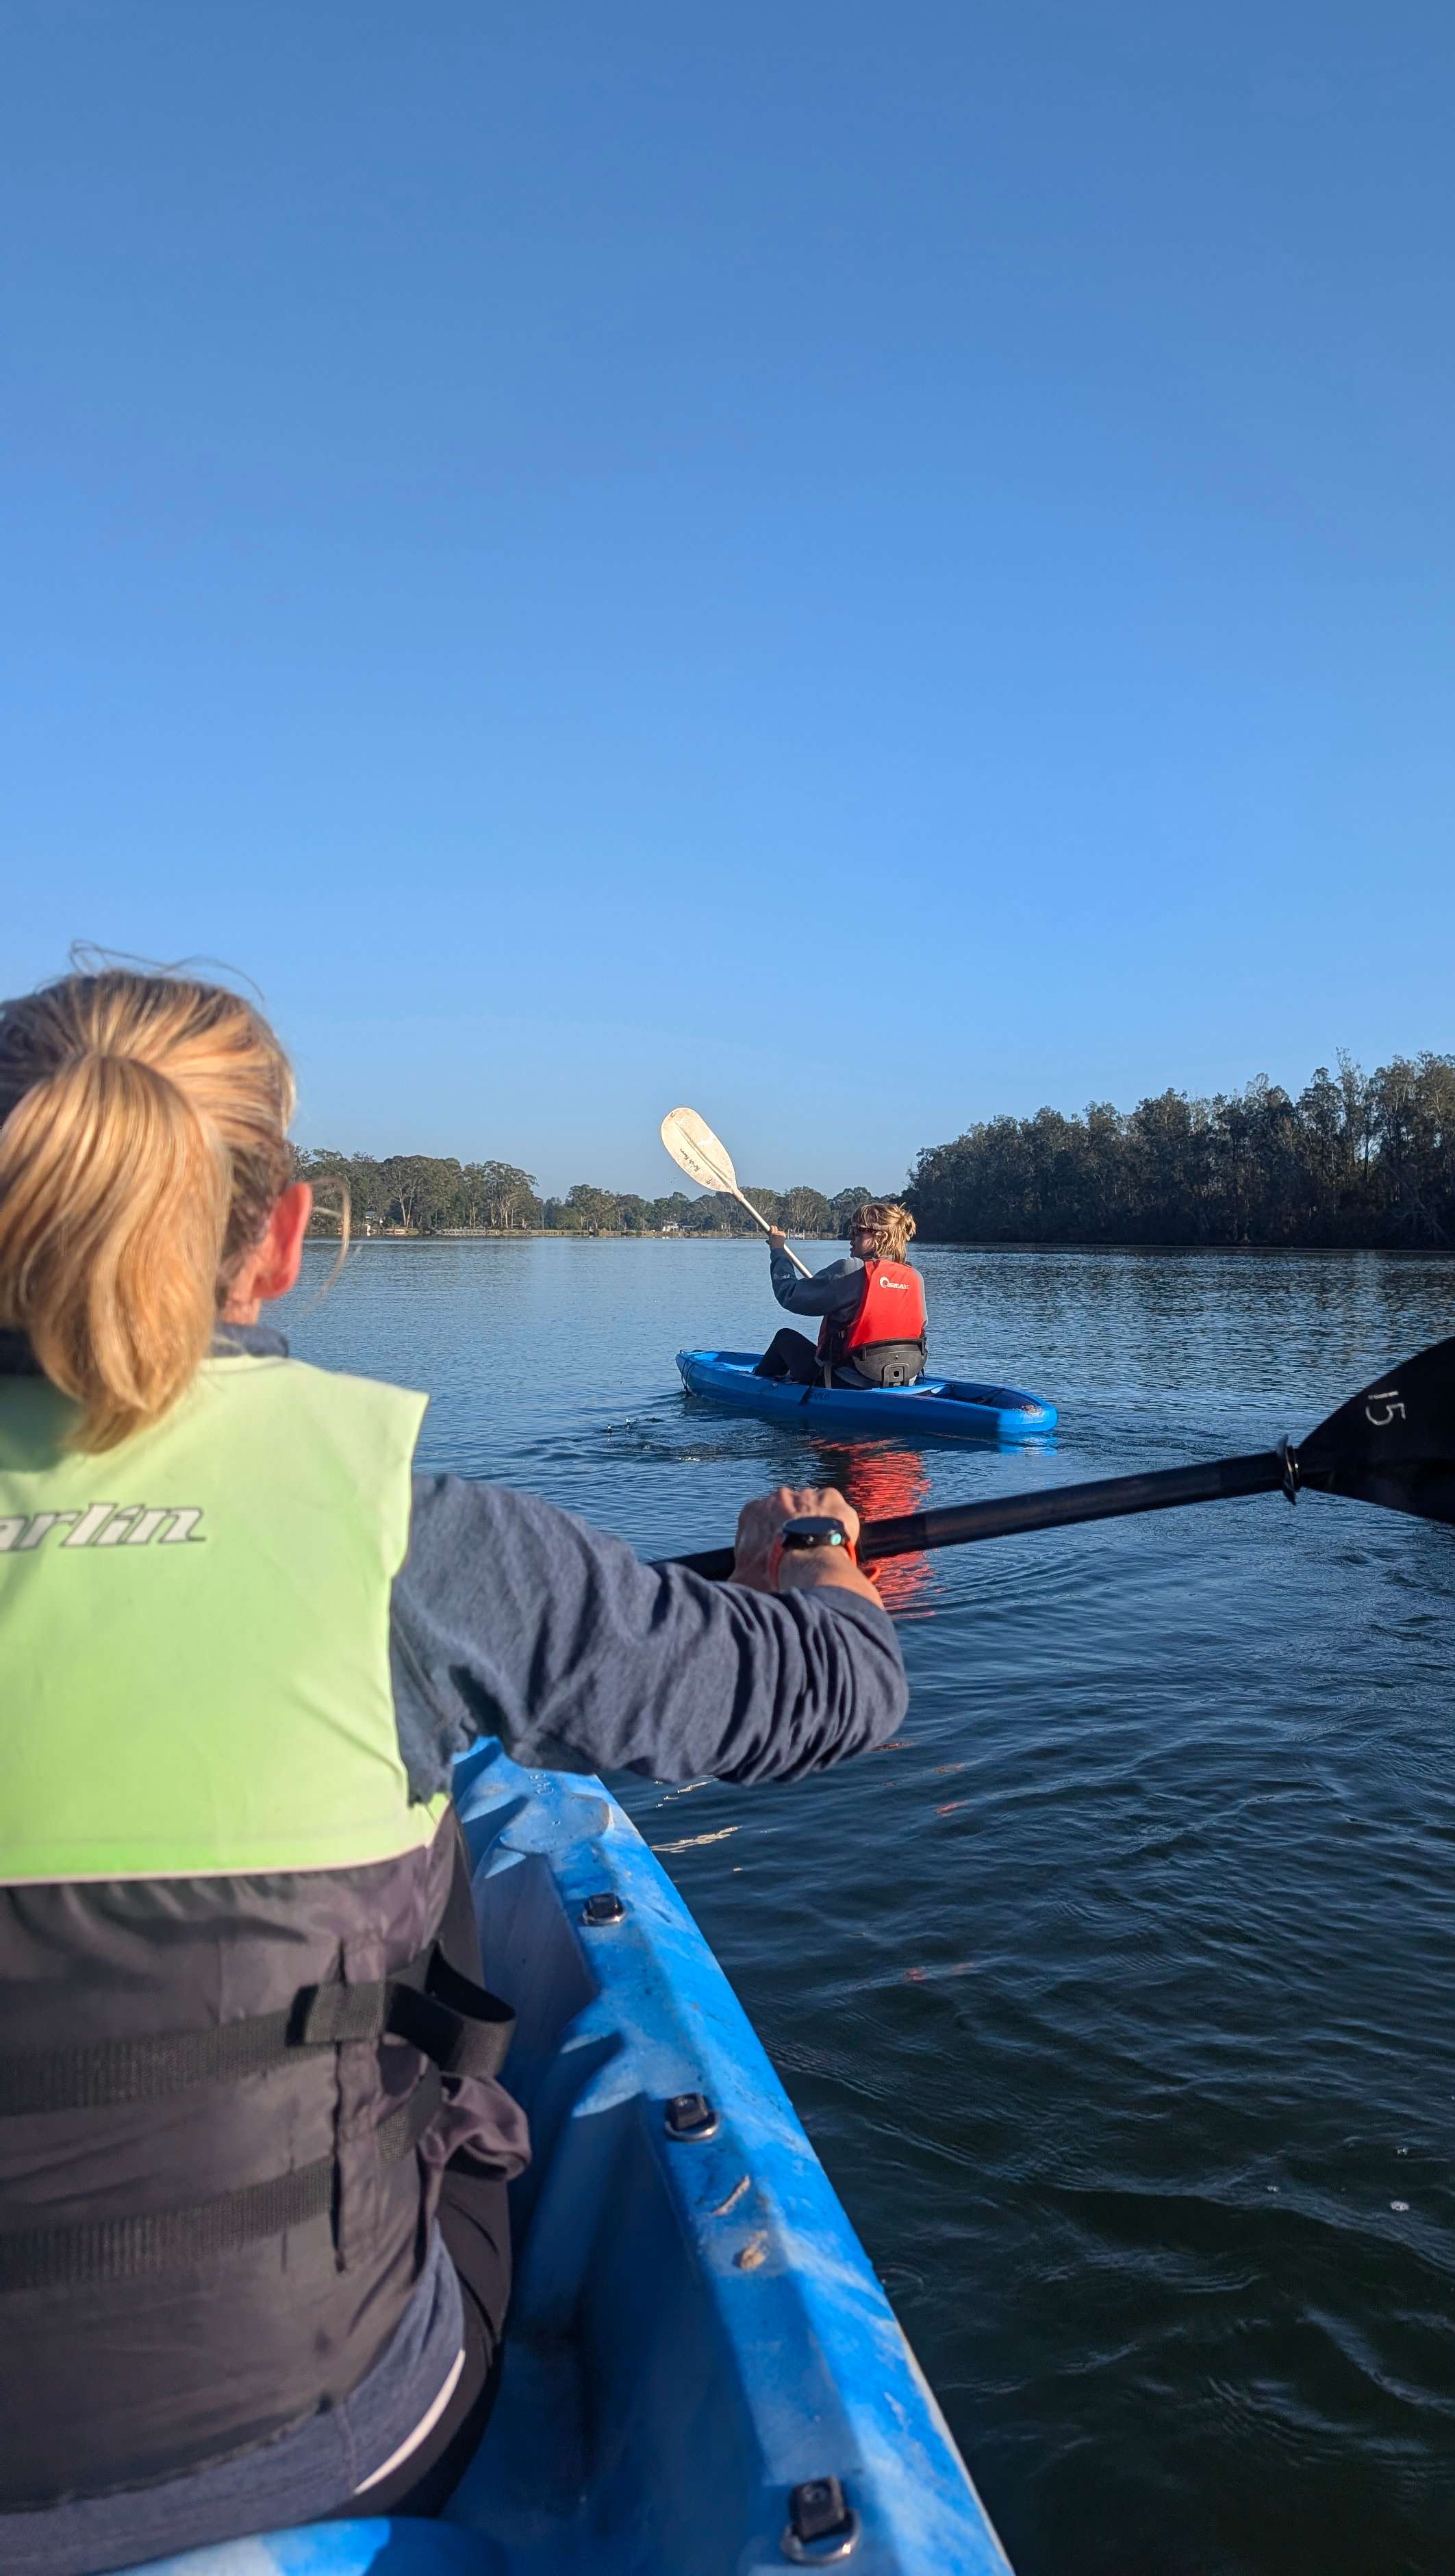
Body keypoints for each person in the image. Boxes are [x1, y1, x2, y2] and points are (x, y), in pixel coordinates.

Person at [0, 969, 904, 2573]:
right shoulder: (423, 1545)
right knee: (472, 1853)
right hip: (325, 2423)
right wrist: (822, 1559)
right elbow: (834, 1692)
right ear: (281, 1237)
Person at [751, 1201, 928, 1390]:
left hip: (845, 1381)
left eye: (858, 1231)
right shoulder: (914, 1277)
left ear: (881, 1237)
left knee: (784, 1338)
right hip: (904, 1379)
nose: (850, 1237)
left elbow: (788, 1294)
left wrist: (778, 1251)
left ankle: (755, 1388)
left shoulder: (850, 1269)